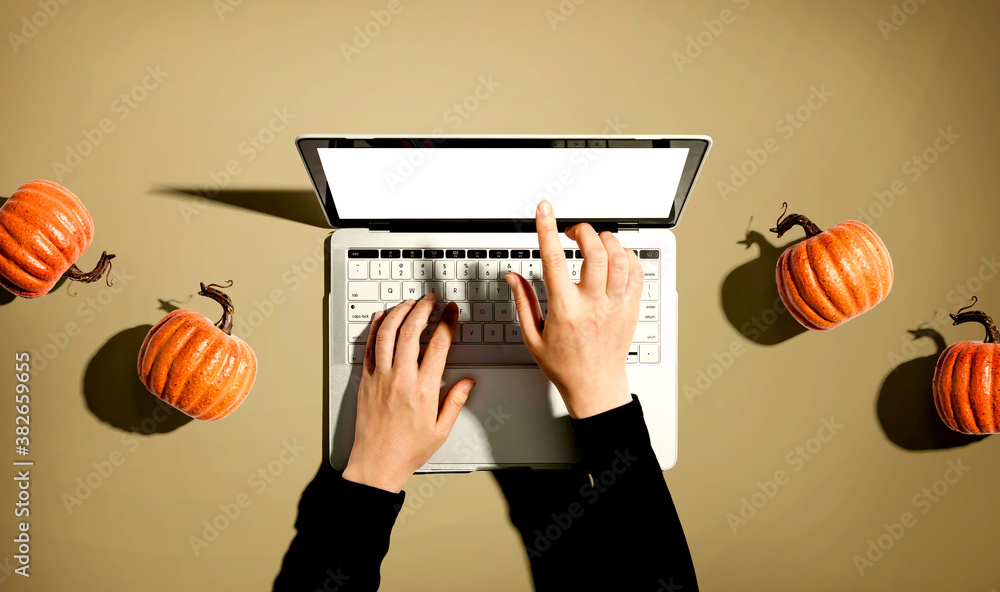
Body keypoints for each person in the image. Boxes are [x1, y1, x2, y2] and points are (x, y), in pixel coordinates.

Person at [274, 201, 698, 591]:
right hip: (594, 452)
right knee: (548, 502)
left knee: (545, 498)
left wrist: (372, 474)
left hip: (363, 492)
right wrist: (600, 388)